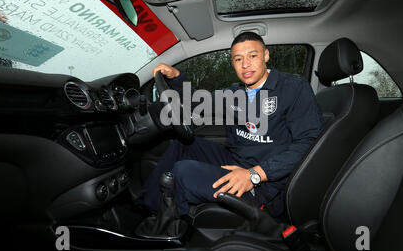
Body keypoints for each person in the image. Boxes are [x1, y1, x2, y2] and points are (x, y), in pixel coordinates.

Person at [137, 32, 323, 218]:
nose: (245, 64)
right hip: (235, 160)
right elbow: (198, 103)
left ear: (266, 55)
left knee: (183, 172)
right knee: (182, 145)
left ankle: (172, 231)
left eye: (252, 56)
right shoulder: (235, 92)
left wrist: (254, 175)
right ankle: (148, 209)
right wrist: (177, 77)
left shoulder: (294, 88)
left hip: (267, 185)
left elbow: (308, 143)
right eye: (238, 59)